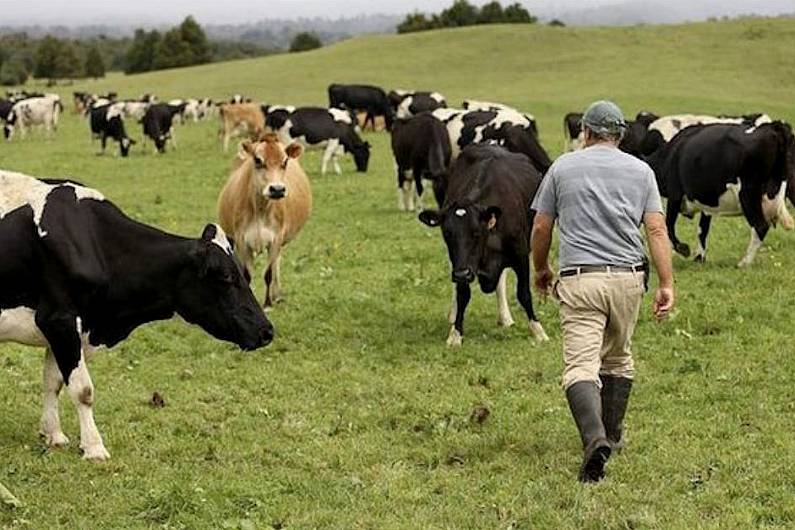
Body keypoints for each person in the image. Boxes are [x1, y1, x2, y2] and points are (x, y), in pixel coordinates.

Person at [530, 100, 674, 483]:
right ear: (620, 135)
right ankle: (612, 435)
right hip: (628, 279)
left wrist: (541, 268)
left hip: (580, 279)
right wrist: (666, 283)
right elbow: (657, 231)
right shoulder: (641, 170)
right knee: (617, 360)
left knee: (580, 366)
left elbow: (542, 227)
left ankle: (595, 440)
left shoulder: (562, 166)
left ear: (586, 132)